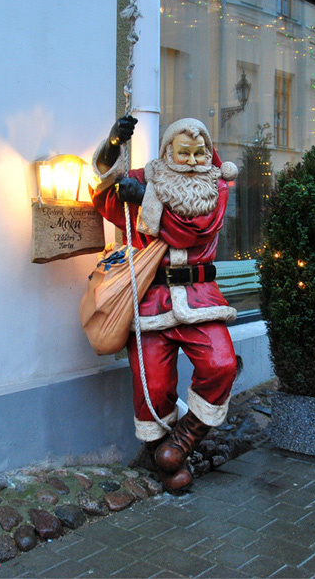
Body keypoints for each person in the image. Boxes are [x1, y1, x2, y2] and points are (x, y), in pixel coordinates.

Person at [89, 115, 239, 492]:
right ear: (168, 151)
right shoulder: (145, 177)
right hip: (151, 303)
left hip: (201, 299)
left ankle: (182, 441)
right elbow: (104, 196)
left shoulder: (215, 186)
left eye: (199, 152)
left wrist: (145, 199)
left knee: (221, 364)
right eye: (183, 152)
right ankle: (161, 455)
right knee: (152, 386)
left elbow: (192, 231)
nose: (192, 160)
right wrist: (113, 145)